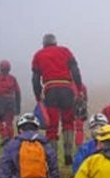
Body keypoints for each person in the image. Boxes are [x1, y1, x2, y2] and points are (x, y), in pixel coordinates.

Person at [32, 33, 84, 166]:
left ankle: (52, 159)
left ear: (44, 43)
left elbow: (35, 79)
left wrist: (38, 97)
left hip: (50, 91)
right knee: (68, 123)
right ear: (55, 42)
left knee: (51, 127)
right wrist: (79, 89)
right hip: (67, 89)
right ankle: (68, 155)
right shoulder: (65, 51)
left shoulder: (38, 55)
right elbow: (75, 71)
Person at [0, 60, 21, 142]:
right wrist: (18, 107)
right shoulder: (12, 78)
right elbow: (18, 92)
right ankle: (10, 139)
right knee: (9, 122)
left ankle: (5, 135)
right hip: (11, 102)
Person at [73, 83, 88, 148]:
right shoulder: (83, 86)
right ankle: (79, 144)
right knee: (79, 128)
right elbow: (86, 98)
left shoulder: (70, 85)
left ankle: (76, 144)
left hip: (72, 108)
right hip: (81, 109)